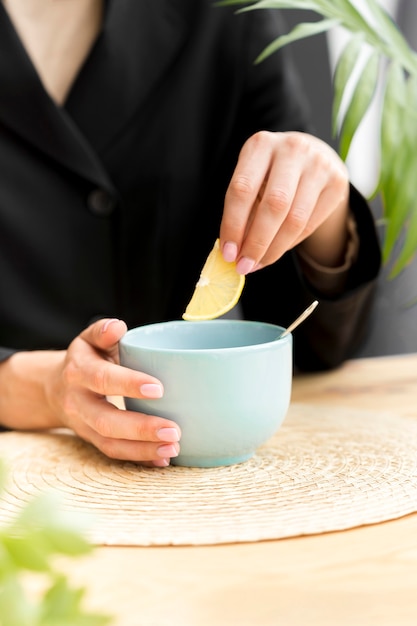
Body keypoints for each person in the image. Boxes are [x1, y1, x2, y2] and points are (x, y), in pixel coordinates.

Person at [0, 0, 381, 466]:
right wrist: (34, 387)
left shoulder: (224, 11)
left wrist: (323, 207)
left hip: (188, 481)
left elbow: (312, 341)